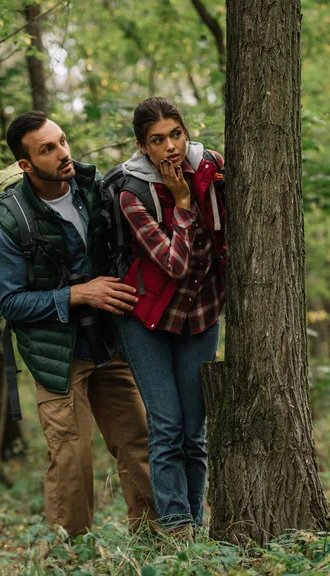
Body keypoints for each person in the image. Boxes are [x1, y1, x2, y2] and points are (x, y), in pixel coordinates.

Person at [0, 110, 157, 537]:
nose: (63, 153)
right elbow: (11, 303)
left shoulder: (93, 189)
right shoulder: (8, 222)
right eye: (48, 149)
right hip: (56, 358)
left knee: (139, 444)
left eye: (62, 140)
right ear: (25, 165)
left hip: (108, 344)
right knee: (71, 460)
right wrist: (79, 294)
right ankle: (70, 557)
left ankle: (154, 543)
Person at [115, 97, 226, 536]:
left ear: (186, 130)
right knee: (166, 425)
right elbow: (174, 264)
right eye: (157, 141)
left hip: (201, 313)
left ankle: (194, 525)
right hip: (148, 320)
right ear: (143, 147)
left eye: (175, 134)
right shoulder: (132, 192)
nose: (169, 148)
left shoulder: (212, 168)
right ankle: (177, 527)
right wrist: (181, 202)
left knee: (193, 433)